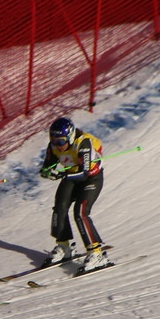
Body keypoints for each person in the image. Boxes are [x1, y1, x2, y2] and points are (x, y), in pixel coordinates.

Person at [38, 116, 110, 273]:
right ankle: (64, 246)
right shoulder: (53, 146)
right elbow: (46, 167)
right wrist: (47, 172)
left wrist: (60, 175)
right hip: (71, 176)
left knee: (81, 212)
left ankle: (96, 253)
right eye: (54, 140)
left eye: (61, 141)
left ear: (70, 137)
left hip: (91, 177)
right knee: (60, 207)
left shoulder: (83, 143)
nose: (58, 145)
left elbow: (84, 174)